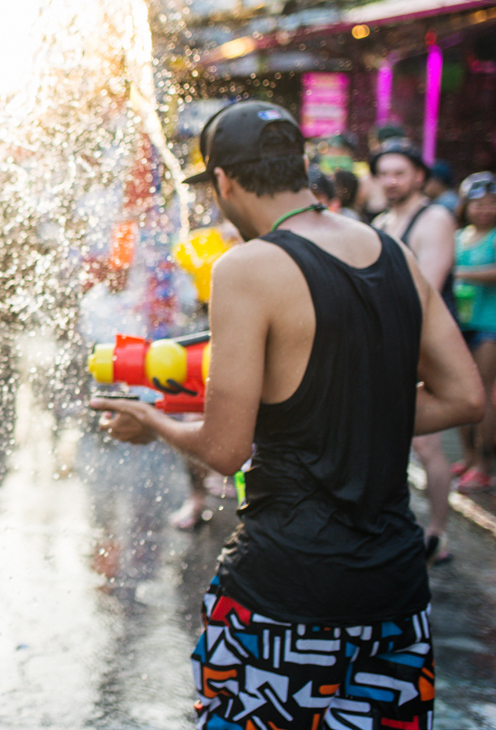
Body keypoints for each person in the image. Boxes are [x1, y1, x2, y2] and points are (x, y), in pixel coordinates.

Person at [91, 100, 483, 729]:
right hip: (393, 592)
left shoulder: (247, 267)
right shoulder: (391, 252)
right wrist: (348, 412)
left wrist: (153, 423)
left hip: (283, 592)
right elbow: (465, 397)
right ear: (299, 166)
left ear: (224, 182)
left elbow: (225, 449)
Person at [371, 138, 459, 561]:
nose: (390, 181)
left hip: (424, 344)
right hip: (392, 342)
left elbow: (429, 289)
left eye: (399, 173)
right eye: (384, 173)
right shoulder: (384, 221)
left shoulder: (435, 218)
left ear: (419, 177)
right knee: (388, 438)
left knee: (427, 445)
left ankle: (438, 532)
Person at [452, 172, 496, 494]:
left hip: (489, 326)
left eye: (492, 204)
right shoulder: (457, 236)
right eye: (478, 204)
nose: (485, 210)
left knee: (482, 395)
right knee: (460, 394)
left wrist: (460, 272)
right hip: (459, 325)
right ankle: (467, 458)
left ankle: (484, 465)